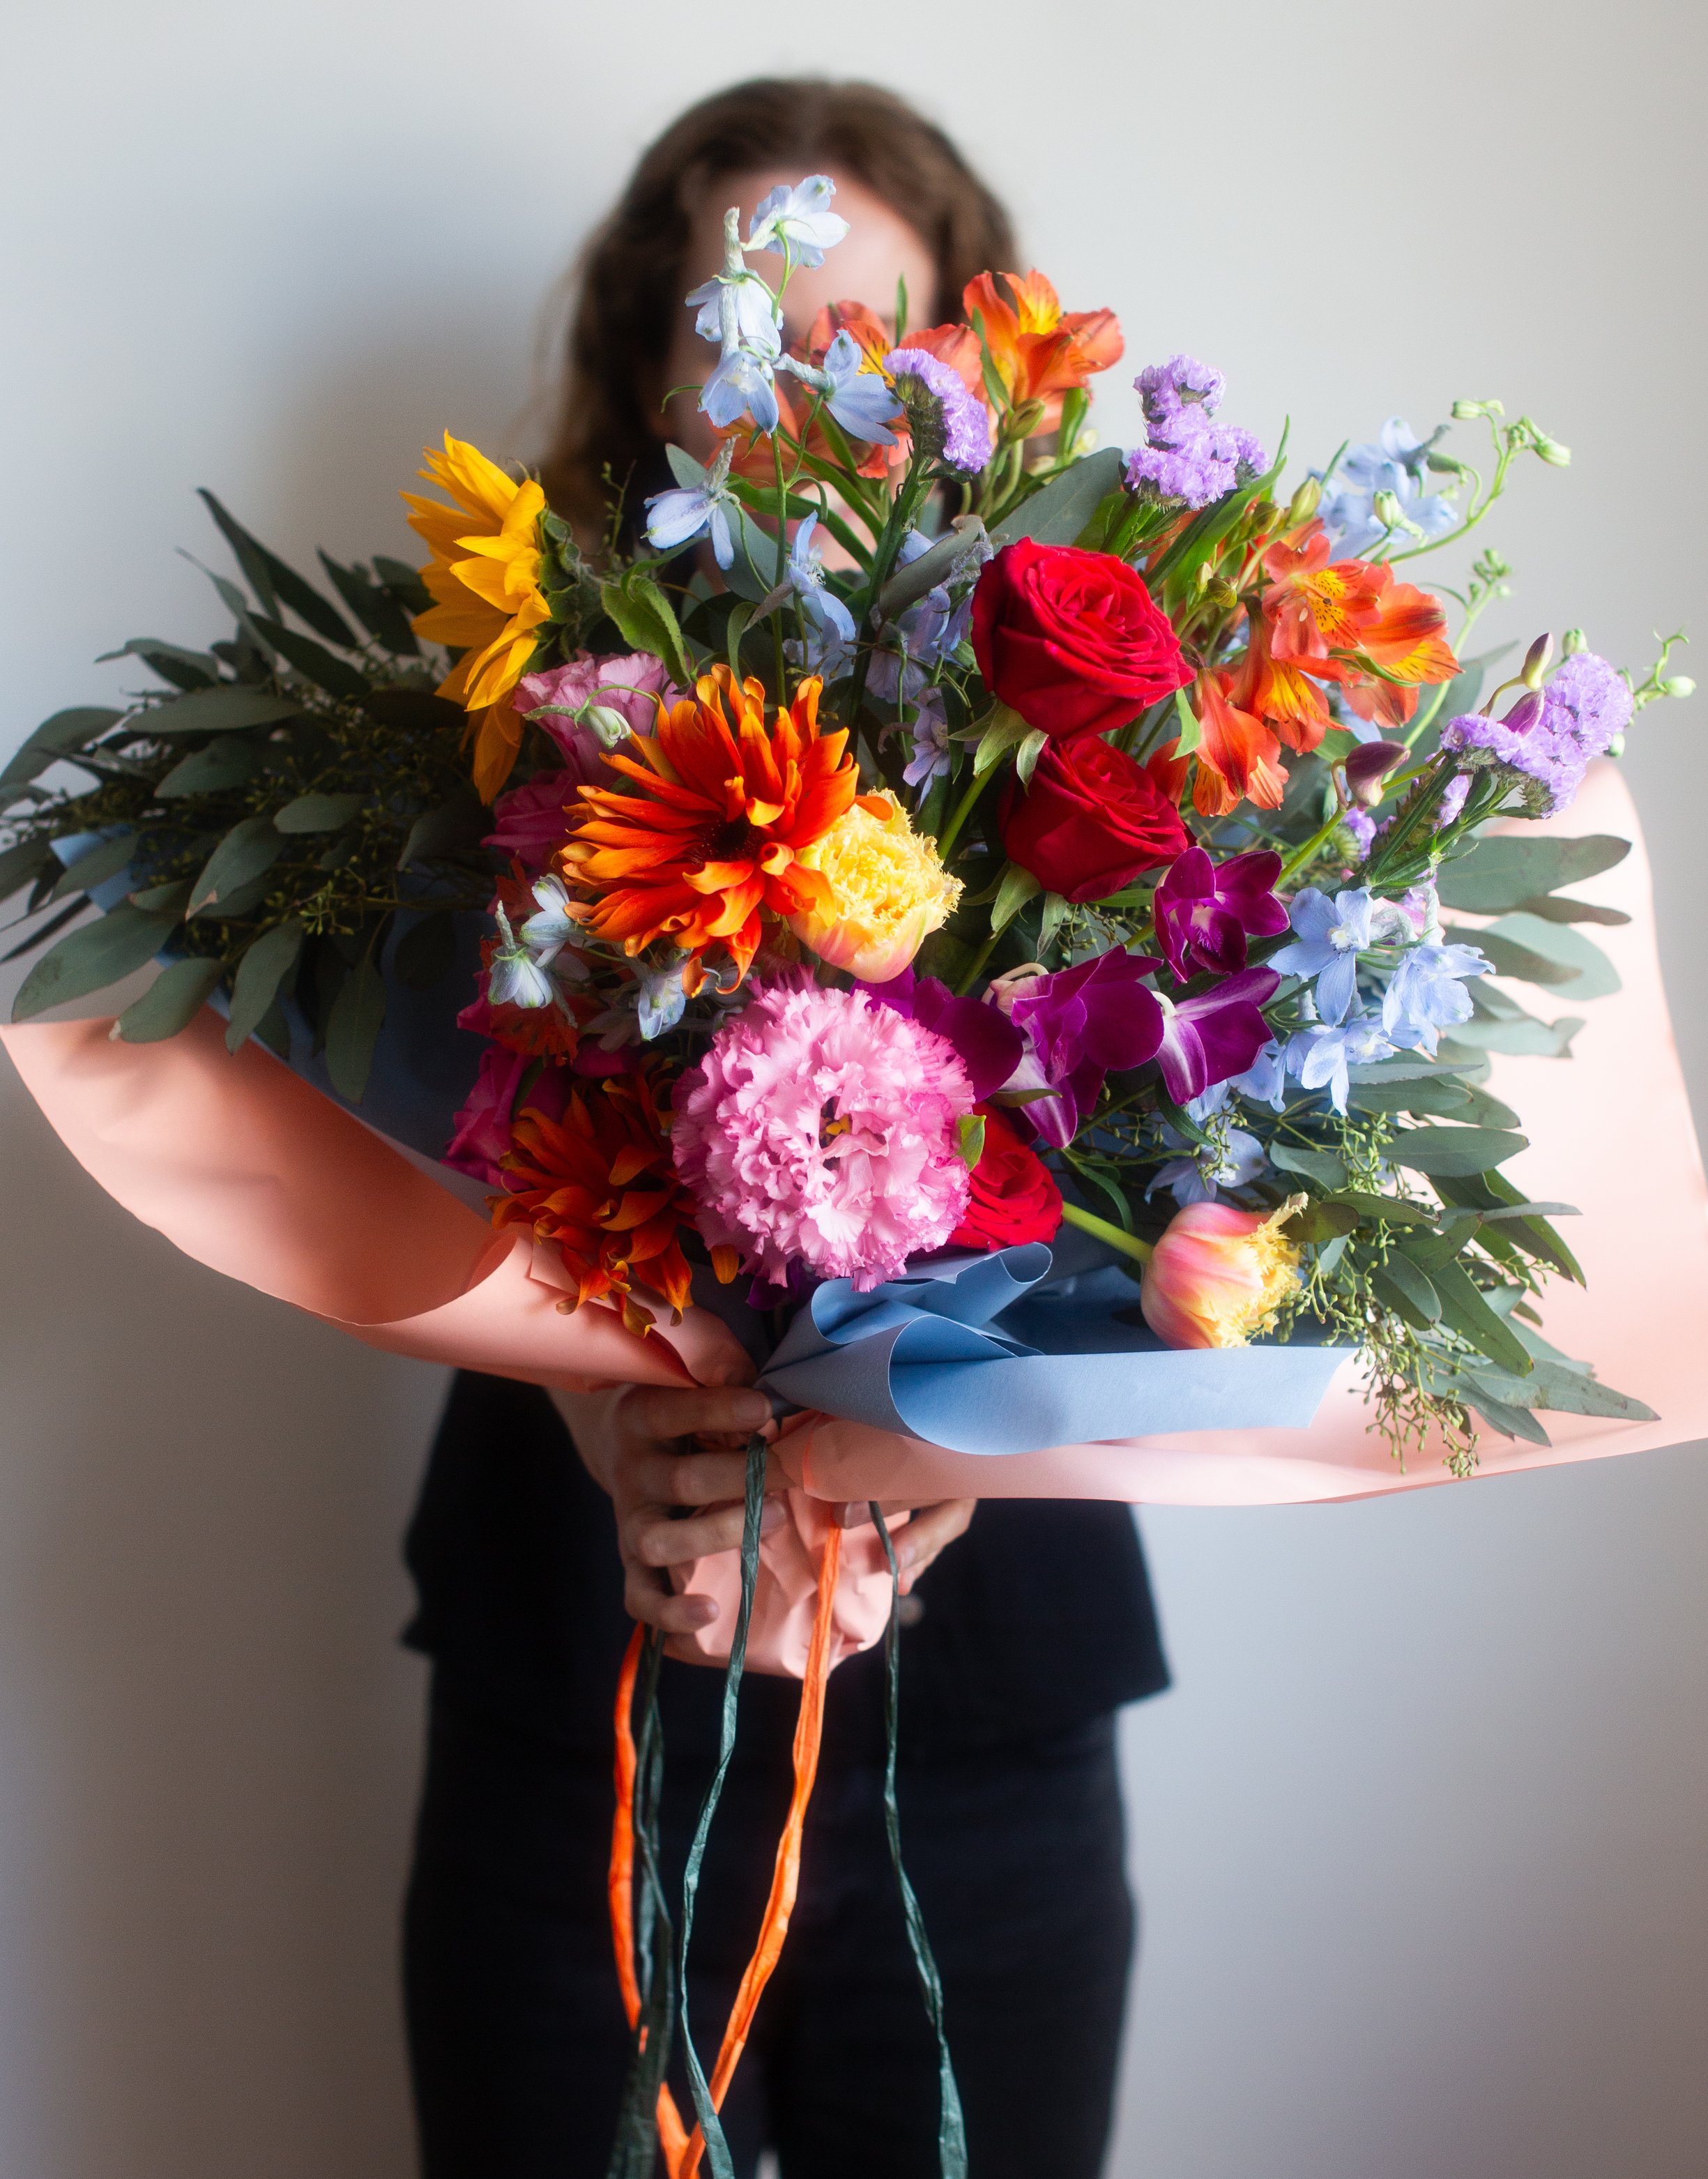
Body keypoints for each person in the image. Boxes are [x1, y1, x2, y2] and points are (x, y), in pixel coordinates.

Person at [400, 77, 1169, 2179]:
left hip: (987, 1716)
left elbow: (1187, 1200)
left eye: (870, 347)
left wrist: (942, 1447)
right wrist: (593, 1408)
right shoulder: (477, 743)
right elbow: (383, 1168)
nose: (804, 402)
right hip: (577, 1689)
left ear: (968, 383)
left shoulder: (1109, 765)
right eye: (744, 340)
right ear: (653, 384)